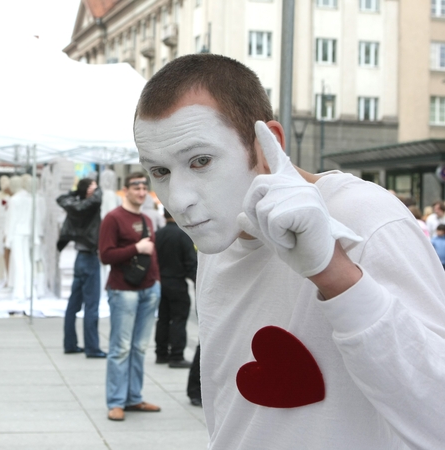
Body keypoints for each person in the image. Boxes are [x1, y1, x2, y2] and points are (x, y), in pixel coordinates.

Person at [133, 53, 445, 448]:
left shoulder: (366, 217)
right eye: (159, 171)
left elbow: (437, 413)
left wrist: (335, 273)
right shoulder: (220, 238)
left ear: (268, 144)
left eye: (200, 161)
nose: (178, 199)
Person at [98, 172, 161, 422]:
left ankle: (134, 397)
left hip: (149, 289)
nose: (142, 191)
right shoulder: (112, 219)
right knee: (121, 348)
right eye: (136, 187)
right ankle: (115, 402)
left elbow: (152, 255)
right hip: (123, 290)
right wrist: (136, 248)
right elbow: (105, 255)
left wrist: (157, 283)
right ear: (125, 190)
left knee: (140, 347)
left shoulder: (147, 218)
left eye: (145, 187)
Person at [56, 178, 106, 358]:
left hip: (80, 257)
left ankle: (70, 344)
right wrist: (97, 190)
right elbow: (97, 199)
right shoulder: (90, 205)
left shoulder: (74, 204)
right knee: (91, 306)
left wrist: (76, 193)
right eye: (93, 184)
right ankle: (92, 347)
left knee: (73, 305)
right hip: (89, 257)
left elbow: (61, 198)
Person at [154, 209, 197, 368]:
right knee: (179, 318)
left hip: (160, 282)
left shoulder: (157, 234)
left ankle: (161, 353)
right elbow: (191, 262)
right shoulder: (183, 235)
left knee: (163, 318)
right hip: (177, 283)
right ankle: (176, 355)